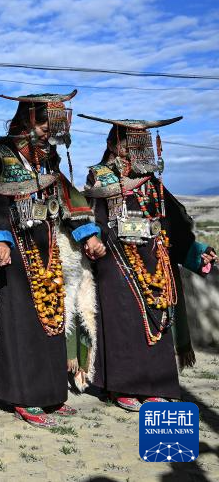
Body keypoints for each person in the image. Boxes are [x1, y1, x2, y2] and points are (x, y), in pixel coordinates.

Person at [0, 90, 105, 429]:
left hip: (48, 248)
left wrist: (87, 234)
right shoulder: (3, 155)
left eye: (53, 127)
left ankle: (51, 393)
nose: (49, 132)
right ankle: (22, 395)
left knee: (52, 321)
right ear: (28, 120)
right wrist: (0, 239)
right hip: (16, 253)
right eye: (46, 125)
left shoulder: (49, 158)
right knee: (22, 326)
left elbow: (65, 196)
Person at [79, 114, 216, 411]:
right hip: (116, 258)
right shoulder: (99, 176)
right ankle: (123, 386)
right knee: (124, 319)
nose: (139, 149)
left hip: (154, 258)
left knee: (159, 319)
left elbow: (174, 224)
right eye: (132, 143)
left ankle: (157, 385)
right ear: (114, 145)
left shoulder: (152, 181)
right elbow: (89, 216)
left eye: (143, 144)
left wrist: (196, 251)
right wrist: (94, 240)